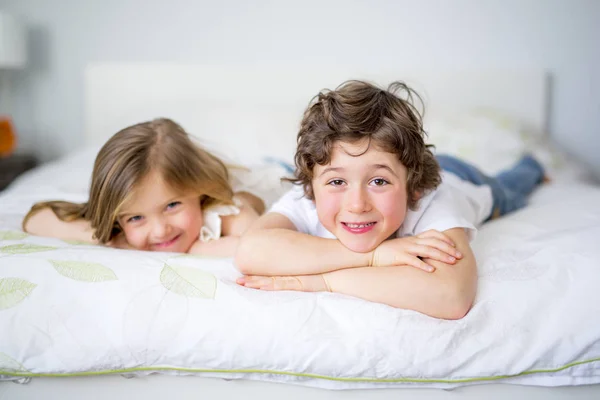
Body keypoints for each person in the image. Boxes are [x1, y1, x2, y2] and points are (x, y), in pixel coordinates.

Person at [234, 80, 545, 319]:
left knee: (512, 187)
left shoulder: (433, 202)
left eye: (378, 181)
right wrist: (373, 257)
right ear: (313, 185)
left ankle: (533, 166)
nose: (357, 204)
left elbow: (451, 295)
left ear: (412, 187)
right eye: (337, 181)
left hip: (463, 178)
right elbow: (250, 251)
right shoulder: (311, 194)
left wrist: (323, 282)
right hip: (414, 165)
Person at [23, 118, 266, 257]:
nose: (160, 231)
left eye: (172, 205)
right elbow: (35, 219)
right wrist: (111, 240)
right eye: (136, 218)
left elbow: (261, 246)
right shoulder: (118, 216)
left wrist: (195, 249)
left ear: (199, 188)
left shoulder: (228, 209)